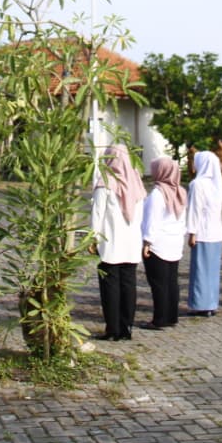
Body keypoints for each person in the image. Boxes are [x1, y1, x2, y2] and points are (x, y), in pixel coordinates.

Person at [91, 144, 145, 340]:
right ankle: (126, 328)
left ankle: (112, 329)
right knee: (129, 286)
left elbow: (97, 215)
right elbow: (140, 217)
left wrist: (93, 239)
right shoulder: (136, 183)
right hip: (131, 245)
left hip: (111, 245)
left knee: (110, 288)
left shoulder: (105, 183)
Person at [140, 155, 185, 330]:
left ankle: (159, 318)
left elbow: (152, 220)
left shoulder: (158, 194)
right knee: (171, 281)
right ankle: (171, 316)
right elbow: (183, 220)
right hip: (174, 242)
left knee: (158, 283)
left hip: (158, 244)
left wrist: (147, 242)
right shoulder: (180, 191)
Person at [185, 150, 222, 317]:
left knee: (201, 270)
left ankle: (201, 304)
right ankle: (211, 302)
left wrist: (192, 232)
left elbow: (195, 210)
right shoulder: (217, 184)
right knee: (212, 271)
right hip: (216, 231)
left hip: (203, 231)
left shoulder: (198, 184)